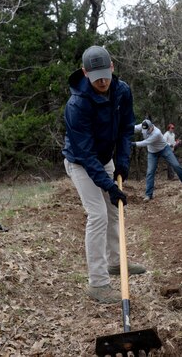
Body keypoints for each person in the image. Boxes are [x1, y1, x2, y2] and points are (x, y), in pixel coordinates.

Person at [62, 45, 146, 304]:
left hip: (106, 158)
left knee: (114, 210)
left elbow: (124, 131)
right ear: (85, 72)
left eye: (105, 73)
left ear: (112, 67)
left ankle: (116, 262)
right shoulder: (77, 104)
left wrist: (121, 164)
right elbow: (86, 154)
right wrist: (108, 185)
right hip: (80, 162)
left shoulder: (122, 91)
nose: (102, 80)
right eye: (95, 75)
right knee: (97, 214)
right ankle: (97, 283)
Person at [132, 119, 182, 201]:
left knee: (176, 165)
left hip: (164, 149)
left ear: (151, 126)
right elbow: (133, 128)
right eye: (144, 129)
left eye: (148, 130)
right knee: (150, 172)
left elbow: (145, 142)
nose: (146, 131)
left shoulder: (157, 133)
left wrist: (132, 143)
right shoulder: (144, 126)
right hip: (152, 152)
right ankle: (148, 195)